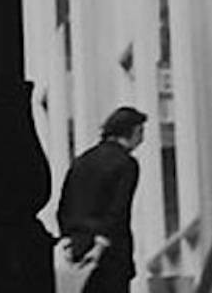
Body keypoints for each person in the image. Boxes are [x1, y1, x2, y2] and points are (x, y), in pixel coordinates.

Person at [56, 106, 148, 293]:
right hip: (110, 253)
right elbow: (119, 209)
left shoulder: (81, 162)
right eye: (140, 131)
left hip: (77, 247)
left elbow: (64, 207)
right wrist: (102, 242)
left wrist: (71, 238)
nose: (142, 138)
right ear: (132, 131)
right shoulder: (126, 164)